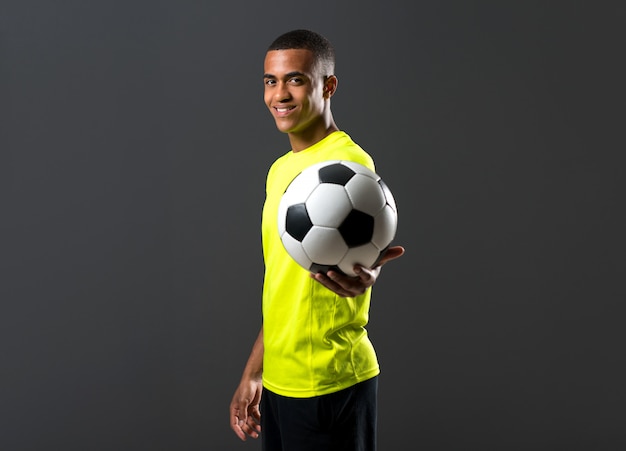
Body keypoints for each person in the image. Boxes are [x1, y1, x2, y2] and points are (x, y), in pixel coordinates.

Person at [229, 29, 405, 451]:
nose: (280, 94)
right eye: (271, 81)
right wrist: (254, 373)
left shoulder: (349, 163)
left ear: (328, 86)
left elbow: (368, 253)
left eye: (296, 79)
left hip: (329, 383)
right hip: (282, 382)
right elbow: (282, 286)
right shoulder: (280, 171)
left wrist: (368, 275)